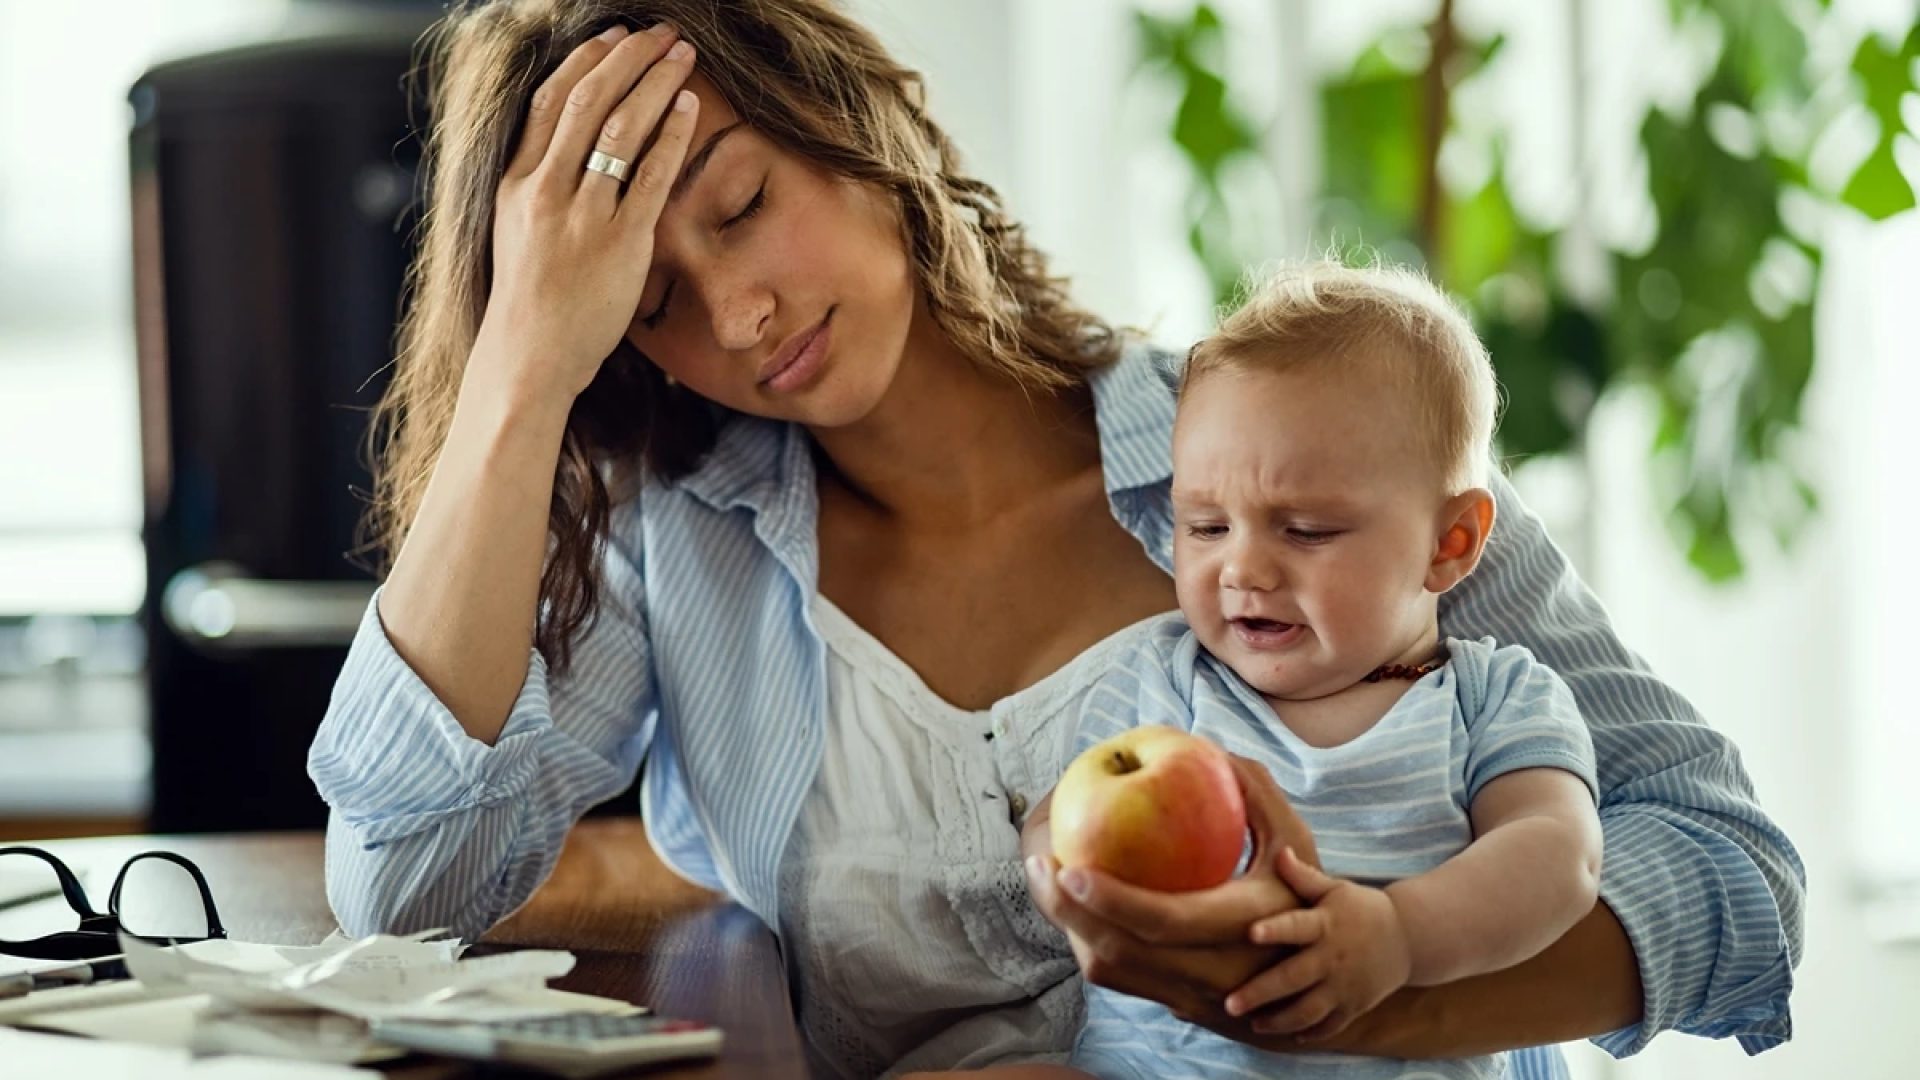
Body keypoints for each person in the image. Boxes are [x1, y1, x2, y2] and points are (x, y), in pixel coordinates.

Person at [306, 2, 1803, 1077]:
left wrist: (1368, 984)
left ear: (858, 124)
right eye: (645, 304)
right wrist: (516, 372)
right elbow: (405, 887)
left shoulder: (1303, 466)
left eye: (744, 206)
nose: (738, 317)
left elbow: (1734, 874)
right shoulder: (683, 551)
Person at [1022, 263, 1603, 1080]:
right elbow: (1056, 820)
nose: (1243, 569)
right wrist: (1078, 891)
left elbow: (1558, 855)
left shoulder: (1492, 698)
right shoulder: (1159, 679)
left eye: (1305, 530)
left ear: (1451, 544)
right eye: (1206, 525)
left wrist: (1400, 934)